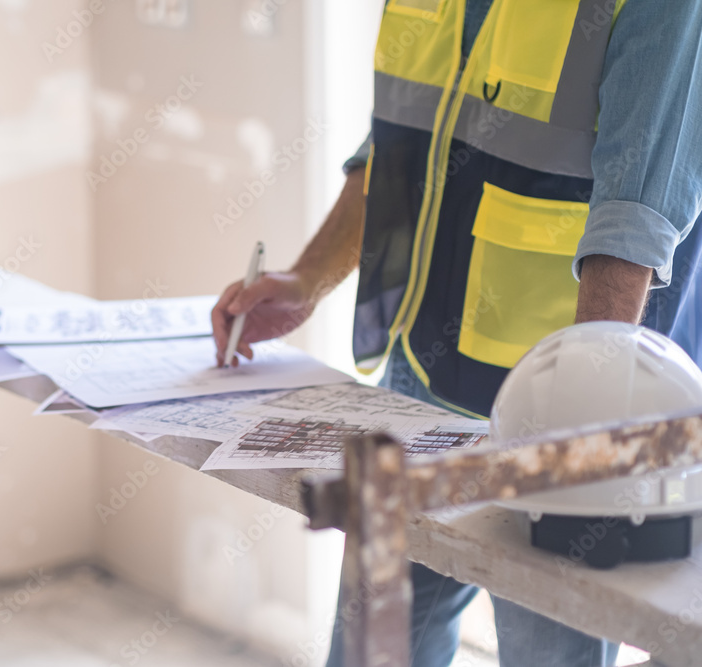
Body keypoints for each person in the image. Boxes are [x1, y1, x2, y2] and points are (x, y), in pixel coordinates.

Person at [211, 1, 702, 666]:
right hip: (422, 374)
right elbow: (399, 148)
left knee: (547, 654)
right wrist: (306, 279)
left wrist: (583, 422)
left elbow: (636, 212)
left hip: (560, 408)